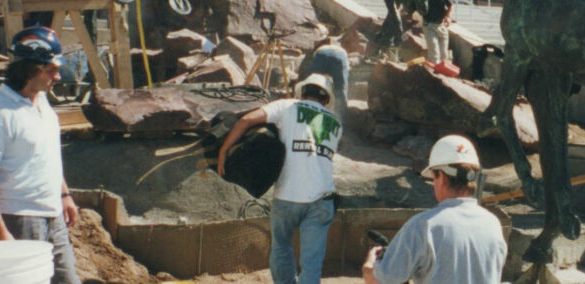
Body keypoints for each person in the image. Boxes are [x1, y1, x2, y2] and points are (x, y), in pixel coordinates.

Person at [0, 26, 80, 284]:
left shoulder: (41, 101)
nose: (58, 76)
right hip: (18, 218)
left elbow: (47, 154)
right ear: (30, 70)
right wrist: (1, 235)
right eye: (51, 70)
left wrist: (63, 194)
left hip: (52, 214)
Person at [217, 73, 342, 284]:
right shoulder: (336, 124)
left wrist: (223, 151)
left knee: (281, 247)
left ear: (302, 92)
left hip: (288, 195)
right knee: (312, 262)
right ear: (326, 100)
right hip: (322, 198)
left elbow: (246, 120)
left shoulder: (287, 106)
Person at [362, 135, 507, 284]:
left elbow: (379, 280)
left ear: (442, 177)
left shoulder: (424, 226)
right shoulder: (493, 224)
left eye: (434, 178)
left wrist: (370, 264)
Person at [423, 0, 453, 65]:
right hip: (429, 25)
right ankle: (433, 74)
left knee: (444, 55)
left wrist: (448, 17)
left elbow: (450, 5)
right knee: (434, 54)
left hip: (441, 25)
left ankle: (442, 73)